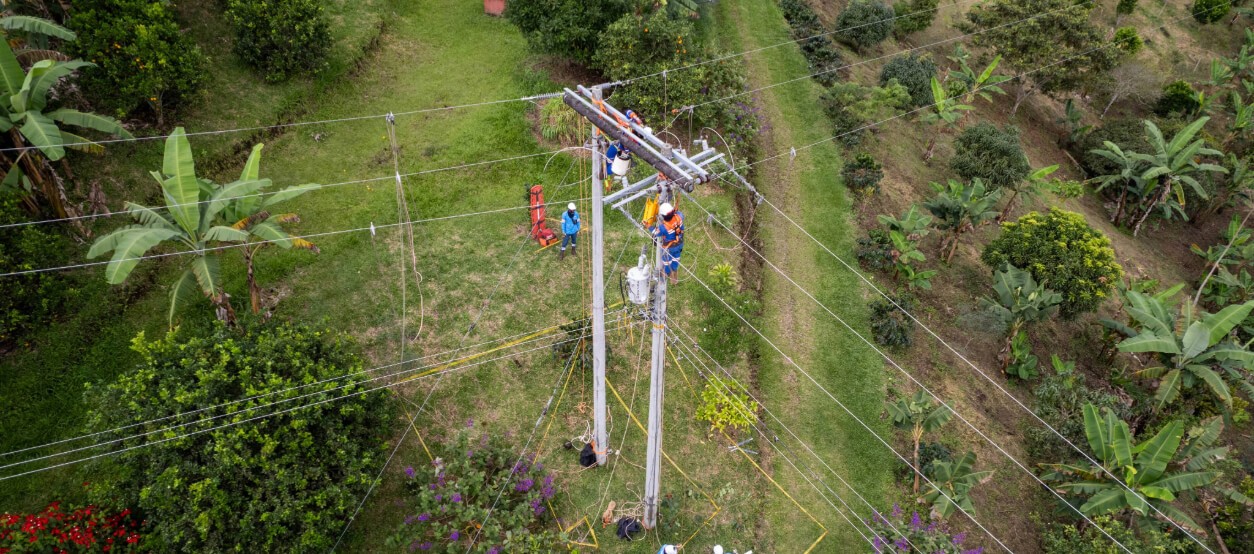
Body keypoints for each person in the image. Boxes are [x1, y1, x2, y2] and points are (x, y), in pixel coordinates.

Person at [652, 202, 684, 284]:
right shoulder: (679, 217)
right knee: (676, 258)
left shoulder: (663, 228)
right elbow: (678, 212)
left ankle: (667, 273)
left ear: (663, 216)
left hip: (669, 248)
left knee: (667, 261)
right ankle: (674, 270)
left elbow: (655, 232)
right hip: (679, 244)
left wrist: (648, 225)